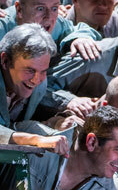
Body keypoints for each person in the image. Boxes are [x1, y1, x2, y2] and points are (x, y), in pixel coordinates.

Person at [0, 24, 68, 154]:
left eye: (43, 71)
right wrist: (34, 139)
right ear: (5, 61)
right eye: (29, 70)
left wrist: (60, 118)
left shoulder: (40, 83)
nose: (36, 80)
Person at [0, 0, 101, 61]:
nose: (48, 16)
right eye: (40, 8)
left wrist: (78, 38)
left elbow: (81, 29)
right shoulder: (2, 28)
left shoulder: (56, 23)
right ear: (19, 10)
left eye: (54, 8)